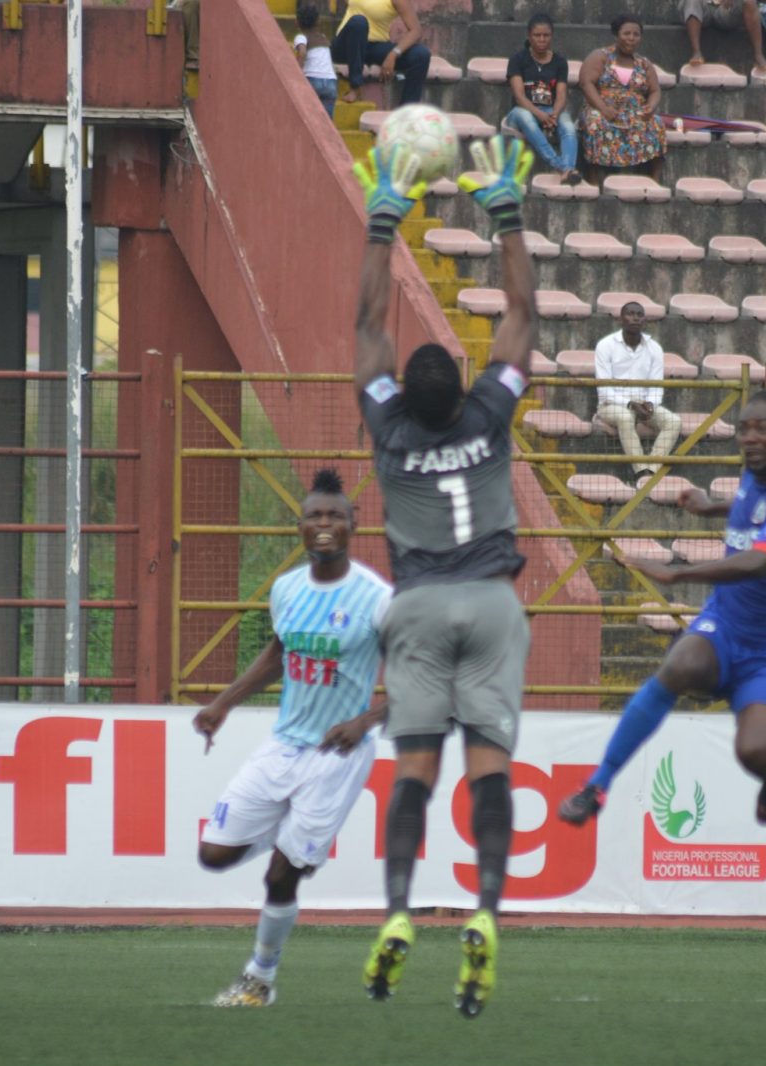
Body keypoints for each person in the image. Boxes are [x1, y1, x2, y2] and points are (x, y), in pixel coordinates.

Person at [350, 134, 537, 1018]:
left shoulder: (389, 428)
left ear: (399, 393)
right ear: (463, 386)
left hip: (418, 605)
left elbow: (367, 329)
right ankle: (487, 911)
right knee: (489, 774)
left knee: (414, 775)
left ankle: (396, 909)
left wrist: (382, 224)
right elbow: (524, 315)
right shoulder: (489, 414)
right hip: (493, 603)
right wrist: (507, 216)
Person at [558, 390, 766, 830]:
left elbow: (760, 561)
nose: (750, 438)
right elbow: (754, 509)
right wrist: (712, 507)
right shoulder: (756, 473)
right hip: (726, 623)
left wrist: (678, 574)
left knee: (755, 752)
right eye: (744, 428)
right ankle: (598, 785)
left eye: (764, 429)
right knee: (678, 665)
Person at [191, 468, 393, 1008]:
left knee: (282, 876)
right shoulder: (287, 590)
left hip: (337, 756)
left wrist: (365, 721)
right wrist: (223, 703)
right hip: (283, 745)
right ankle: (291, 838)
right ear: (300, 526)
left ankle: (260, 979)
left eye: (335, 516)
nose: (324, 524)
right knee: (213, 854)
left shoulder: (377, 599)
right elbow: (279, 654)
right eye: (314, 516)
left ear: (353, 526)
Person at [594, 302, 682, 487]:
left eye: (639, 315)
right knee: (625, 417)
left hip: (643, 403)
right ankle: (640, 471)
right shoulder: (605, 345)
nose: (635, 318)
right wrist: (630, 404)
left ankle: (651, 471)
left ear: (644, 320)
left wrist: (650, 404)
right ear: (621, 319)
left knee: (674, 422)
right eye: (630, 314)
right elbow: (604, 390)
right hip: (610, 405)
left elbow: (656, 386)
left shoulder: (654, 348)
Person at [579, 14, 668, 185]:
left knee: (656, 123)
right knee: (594, 122)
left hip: (635, 112)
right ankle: (593, 178)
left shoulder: (644, 63)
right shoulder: (601, 56)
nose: (631, 38)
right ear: (616, 35)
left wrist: (650, 106)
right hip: (602, 109)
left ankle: (654, 180)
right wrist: (603, 109)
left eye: (636, 34)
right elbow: (586, 83)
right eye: (626, 33)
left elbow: (655, 90)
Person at [505, 14, 580, 183]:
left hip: (550, 110)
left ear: (551, 36)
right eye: (537, 35)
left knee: (568, 125)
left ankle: (568, 169)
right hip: (522, 111)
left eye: (546, 35)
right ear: (529, 36)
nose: (541, 39)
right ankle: (562, 167)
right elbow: (519, 97)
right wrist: (540, 115)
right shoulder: (518, 59)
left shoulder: (560, 62)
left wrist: (554, 114)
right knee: (525, 116)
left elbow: (561, 95)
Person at [332, 0, 432, 108]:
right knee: (359, 21)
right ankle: (355, 87)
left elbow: (415, 30)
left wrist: (393, 54)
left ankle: (407, 110)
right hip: (346, 46)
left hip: (374, 46)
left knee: (421, 55)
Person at [680, 0, 766, 76]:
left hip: (726, 10)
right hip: (701, 7)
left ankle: (758, 55)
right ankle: (696, 53)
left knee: (749, 1)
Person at [294, 5, 338, 120]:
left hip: (312, 79)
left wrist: (297, 72)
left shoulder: (301, 37)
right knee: (326, 120)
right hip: (330, 81)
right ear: (318, 22)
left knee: (308, 116)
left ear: (297, 22)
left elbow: (302, 52)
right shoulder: (323, 38)